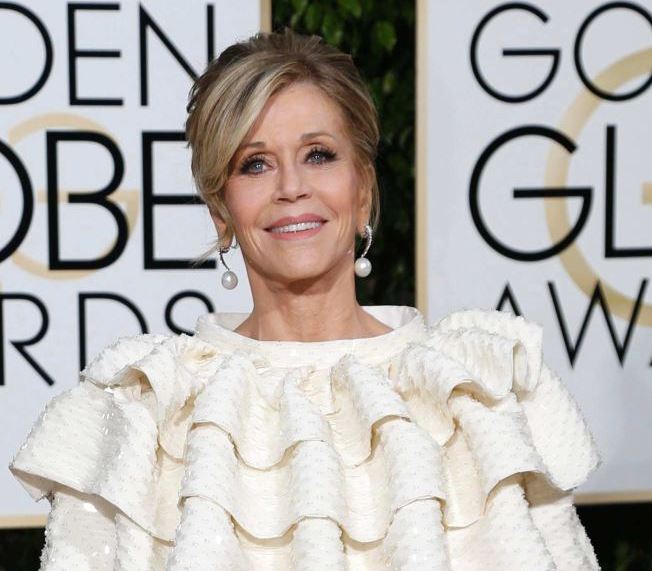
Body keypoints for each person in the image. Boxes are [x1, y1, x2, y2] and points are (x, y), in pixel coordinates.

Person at [9, 28, 601, 570]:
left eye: (318, 154)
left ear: (362, 188)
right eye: (255, 164)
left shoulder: (474, 397)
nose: (291, 187)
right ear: (221, 210)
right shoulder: (150, 410)